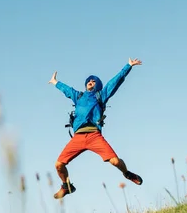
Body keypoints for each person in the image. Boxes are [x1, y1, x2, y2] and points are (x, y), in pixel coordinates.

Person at [48, 58, 144, 199]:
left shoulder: (100, 96)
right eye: (89, 81)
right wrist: (56, 82)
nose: (90, 82)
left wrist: (128, 66)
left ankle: (127, 173)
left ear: (97, 85)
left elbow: (114, 82)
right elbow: (67, 91)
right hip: (78, 137)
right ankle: (67, 186)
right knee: (58, 165)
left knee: (115, 161)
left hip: (94, 136)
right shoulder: (78, 97)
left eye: (93, 81)